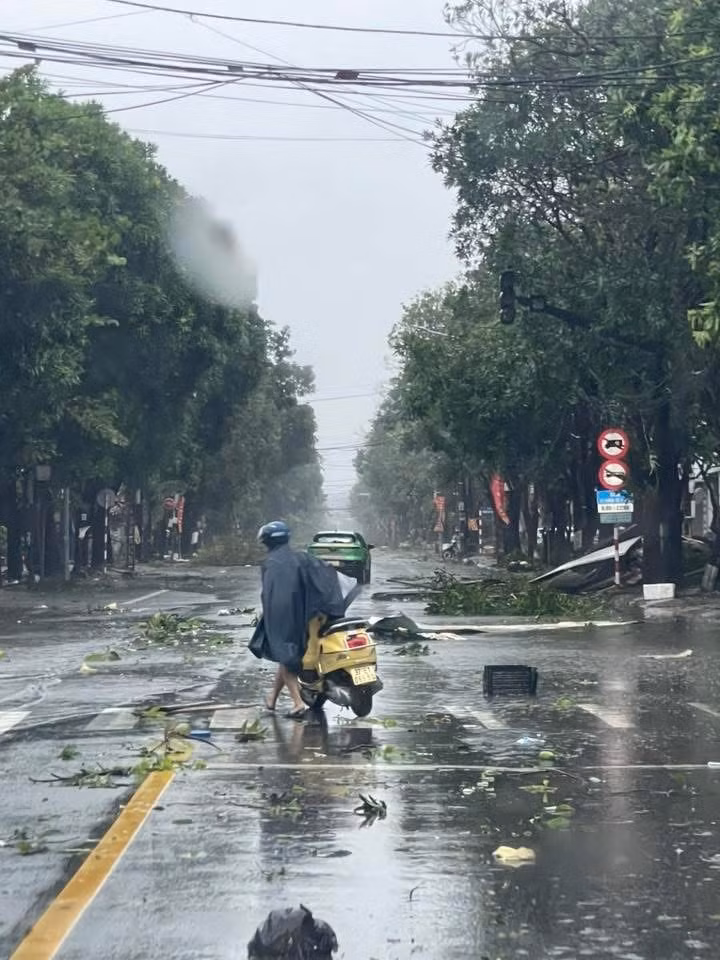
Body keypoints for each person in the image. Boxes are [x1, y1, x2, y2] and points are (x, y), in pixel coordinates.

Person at [248, 520, 347, 720]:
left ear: (266, 541)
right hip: (310, 616)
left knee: (286, 656)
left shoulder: (272, 564)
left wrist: (273, 618)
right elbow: (327, 575)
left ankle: (297, 703)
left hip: (287, 619)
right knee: (285, 658)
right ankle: (272, 699)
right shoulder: (301, 557)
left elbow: (274, 596)